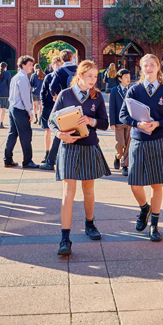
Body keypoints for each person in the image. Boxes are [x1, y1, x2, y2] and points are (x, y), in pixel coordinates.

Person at [52, 60, 111, 255]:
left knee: (88, 190)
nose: (93, 80)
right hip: (68, 148)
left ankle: (90, 224)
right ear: (80, 76)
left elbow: (104, 123)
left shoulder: (98, 97)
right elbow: (52, 121)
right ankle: (65, 238)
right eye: (90, 76)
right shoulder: (65, 95)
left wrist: (91, 120)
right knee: (68, 192)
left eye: (95, 77)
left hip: (89, 146)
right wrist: (61, 135)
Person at [120, 54, 163, 241]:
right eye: (146, 65)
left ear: (158, 67)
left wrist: (158, 124)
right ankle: (144, 208)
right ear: (141, 68)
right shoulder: (134, 90)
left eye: (152, 65)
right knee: (135, 184)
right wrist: (138, 125)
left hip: (159, 140)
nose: (149, 68)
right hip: (139, 140)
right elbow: (123, 115)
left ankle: (154, 225)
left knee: (156, 184)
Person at [42, 51, 78, 168]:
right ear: (72, 58)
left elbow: (52, 87)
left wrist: (55, 96)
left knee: (60, 131)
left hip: (64, 103)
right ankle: (78, 161)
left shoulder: (59, 71)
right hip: (78, 103)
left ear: (62, 60)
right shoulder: (78, 69)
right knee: (78, 130)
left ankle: (50, 161)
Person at [5, 56, 39, 168]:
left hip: (13, 108)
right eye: (29, 64)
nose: (32, 67)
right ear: (23, 65)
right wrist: (30, 111)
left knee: (12, 134)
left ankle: (7, 159)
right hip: (20, 109)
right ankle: (27, 161)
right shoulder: (23, 78)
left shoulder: (16, 77)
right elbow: (25, 97)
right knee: (26, 135)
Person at [37, 57, 63, 169]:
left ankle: (56, 154)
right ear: (52, 66)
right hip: (48, 107)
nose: (57, 66)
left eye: (59, 64)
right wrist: (44, 105)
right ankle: (47, 153)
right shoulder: (48, 77)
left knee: (59, 132)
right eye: (55, 64)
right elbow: (42, 92)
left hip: (60, 108)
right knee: (47, 130)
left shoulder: (63, 77)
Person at [108, 68, 132, 175]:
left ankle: (125, 166)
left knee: (129, 144)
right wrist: (112, 122)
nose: (128, 79)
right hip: (118, 122)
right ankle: (118, 157)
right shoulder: (114, 90)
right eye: (126, 77)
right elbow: (112, 107)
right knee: (121, 143)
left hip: (130, 122)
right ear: (120, 79)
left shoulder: (132, 90)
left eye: (129, 77)